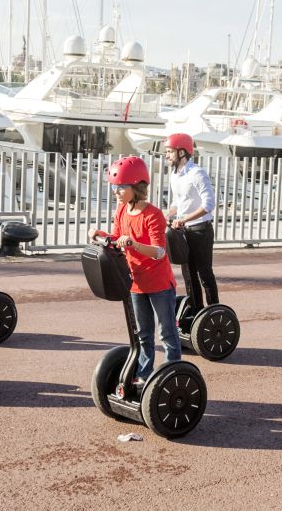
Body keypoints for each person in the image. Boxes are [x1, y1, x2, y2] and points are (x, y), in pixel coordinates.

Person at [89, 156, 180, 388]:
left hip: (159, 283)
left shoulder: (153, 214)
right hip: (135, 282)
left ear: (137, 187)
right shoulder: (121, 211)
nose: (116, 192)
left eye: (121, 187)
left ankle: (173, 374)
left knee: (167, 333)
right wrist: (100, 234)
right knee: (143, 334)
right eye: (115, 187)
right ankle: (143, 374)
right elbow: (118, 238)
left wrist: (134, 245)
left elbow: (159, 251)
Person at [163, 133, 219, 305]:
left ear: (181, 152)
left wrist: (184, 219)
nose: (167, 155)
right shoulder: (175, 175)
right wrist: (168, 214)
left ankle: (214, 310)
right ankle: (197, 311)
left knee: (204, 274)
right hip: (183, 231)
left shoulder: (197, 173)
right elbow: (178, 202)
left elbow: (209, 204)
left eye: (170, 151)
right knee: (188, 274)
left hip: (200, 231)